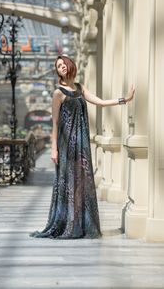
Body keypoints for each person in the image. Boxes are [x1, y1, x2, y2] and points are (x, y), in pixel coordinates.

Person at [30, 55, 135, 239]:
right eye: (58, 66)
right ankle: (68, 224)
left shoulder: (79, 88)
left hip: (82, 143)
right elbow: (54, 123)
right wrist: (54, 149)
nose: (61, 67)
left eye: (63, 64)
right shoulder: (58, 93)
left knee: (83, 181)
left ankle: (82, 225)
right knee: (68, 182)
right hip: (66, 145)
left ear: (70, 65)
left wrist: (123, 100)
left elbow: (100, 102)